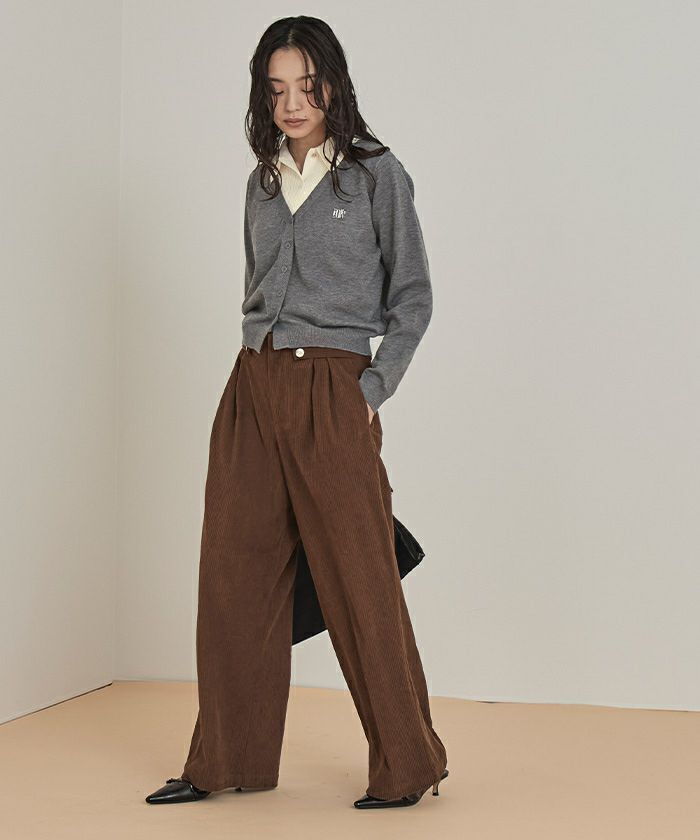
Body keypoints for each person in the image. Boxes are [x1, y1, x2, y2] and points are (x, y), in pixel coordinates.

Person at [145, 15, 448, 810]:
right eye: (276, 89)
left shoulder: (377, 175)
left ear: (334, 85)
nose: (291, 104)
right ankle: (226, 760)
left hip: (334, 389)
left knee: (360, 578)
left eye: (307, 87)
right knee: (234, 576)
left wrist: (370, 392)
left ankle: (409, 763)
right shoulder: (263, 181)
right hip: (254, 385)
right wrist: (257, 369)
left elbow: (413, 299)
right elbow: (259, 290)